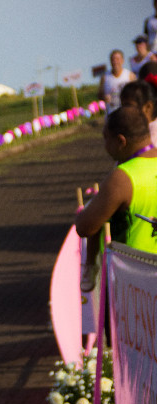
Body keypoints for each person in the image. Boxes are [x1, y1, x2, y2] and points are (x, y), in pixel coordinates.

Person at [76, 106, 157, 287]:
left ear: (121, 141)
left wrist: (87, 209)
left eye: (106, 139)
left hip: (134, 286)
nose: (105, 146)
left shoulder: (122, 177)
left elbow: (85, 227)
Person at [119, 77, 157, 145]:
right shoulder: (138, 130)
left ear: (148, 107)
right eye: (122, 106)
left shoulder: (152, 136)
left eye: (128, 106)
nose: (123, 111)